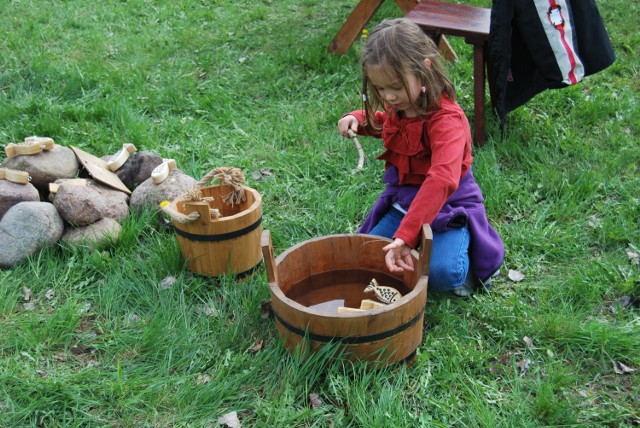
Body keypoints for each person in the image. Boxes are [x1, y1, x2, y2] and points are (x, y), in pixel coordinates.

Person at [337, 18, 504, 296]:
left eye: (395, 87)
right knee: (366, 258)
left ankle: (470, 264)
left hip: (448, 209)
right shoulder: (402, 107)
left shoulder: (447, 121)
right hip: (406, 204)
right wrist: (356, 119)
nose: (388, 97)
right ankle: (414, 245)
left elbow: (442, 179)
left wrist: (406, 235)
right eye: (379, 89)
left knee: (442, 274)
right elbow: (386, 124)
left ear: (423, 69)